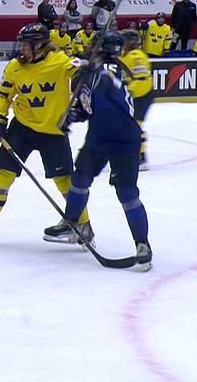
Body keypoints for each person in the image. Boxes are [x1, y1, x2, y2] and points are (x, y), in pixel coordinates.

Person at [0, 23, 93, 246]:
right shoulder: (14, 67)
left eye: (26, 45)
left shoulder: (60, 61)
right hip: (22, 128)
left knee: (65, 180)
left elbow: (79, 66)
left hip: (53, 130)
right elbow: (3, 95)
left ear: (39, 45)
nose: (22, 49)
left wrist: (85, 69)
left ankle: (84, 225)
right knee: (2, 174)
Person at [61, 32, 152, 269]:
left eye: (94, 45)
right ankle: (71, 223)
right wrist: (74, 114)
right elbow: (89, 107)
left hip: (122, 138)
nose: (89, 48)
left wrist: (88, 74)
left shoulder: (109, 69)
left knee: (126, 193)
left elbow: (107, 86)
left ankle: (142, 244)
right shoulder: (95, 71)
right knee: (80, 179)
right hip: (101, 136)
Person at [119, 29, 153, 170]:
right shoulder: (128, 55)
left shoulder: (136, 56)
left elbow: (142, 79)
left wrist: (130, 92)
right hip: (137, 94)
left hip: (140, 95)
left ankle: (141, 157)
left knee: (135, 125)